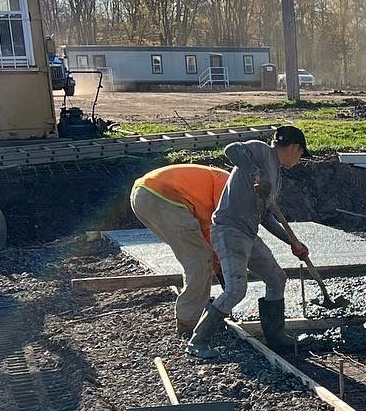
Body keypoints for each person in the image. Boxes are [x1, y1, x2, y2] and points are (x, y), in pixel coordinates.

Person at [188, 126, 310, 357]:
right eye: (301, 154)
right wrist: (256, 173)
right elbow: (231, 149)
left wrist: (292, 242)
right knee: (236, 290)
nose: (299, 160)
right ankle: (198, 342)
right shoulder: (261, 151)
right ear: (295, 148)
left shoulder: (277, 178)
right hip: (229, 230)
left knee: (276, 278)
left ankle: (276, 338)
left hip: (249, 234)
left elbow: (266, 217)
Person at [129, 162, 228, 336]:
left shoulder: (209, 196)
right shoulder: (230, 187)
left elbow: (209, 240)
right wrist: (228, 279)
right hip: (162, 196)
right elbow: (226, 232)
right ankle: (189, 323)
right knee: (198, 259)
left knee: (199, 254)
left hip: (147, 194)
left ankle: (195, 311)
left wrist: (220, 270)